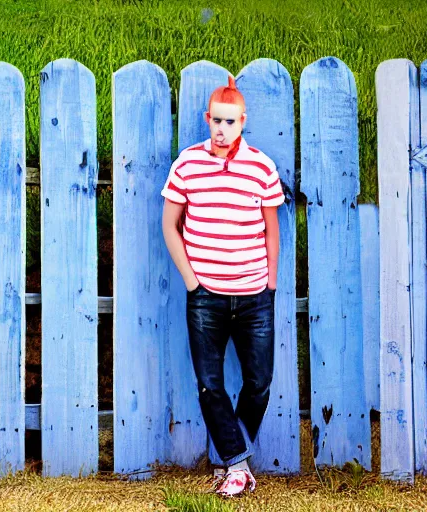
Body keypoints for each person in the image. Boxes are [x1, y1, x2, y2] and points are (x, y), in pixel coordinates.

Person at [160, 75, 285, 497]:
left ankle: (235, 460)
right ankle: (237, 468)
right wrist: (193, 282)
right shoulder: (188, 164)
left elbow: (271, 230)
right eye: (216, 121)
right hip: (206, 296)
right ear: (206, 118)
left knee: (259, 381)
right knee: (209, 384)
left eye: (230, 122)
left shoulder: (261, 168)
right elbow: (169, 226)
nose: (221, 130)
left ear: (243, 122)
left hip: (254, 296)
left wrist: (269, 283)